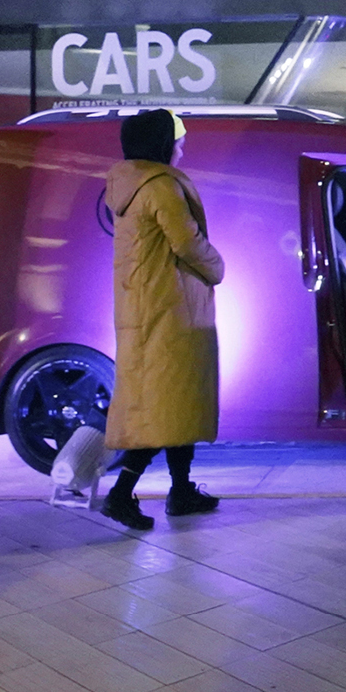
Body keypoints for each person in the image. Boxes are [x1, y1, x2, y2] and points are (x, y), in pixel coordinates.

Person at [99, 109, 227, 531]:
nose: (182, 146)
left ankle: (181, 489)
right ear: (159, 144)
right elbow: (187, 242)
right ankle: (121, 494)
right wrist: (218, 268)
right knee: (163, 407)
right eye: (177, 139)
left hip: (145, 308)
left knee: (174, 404)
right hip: (172, 312)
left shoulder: (128, 185)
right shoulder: (160, 186)